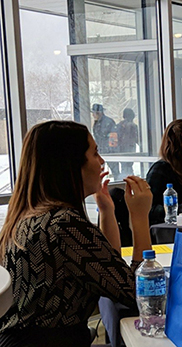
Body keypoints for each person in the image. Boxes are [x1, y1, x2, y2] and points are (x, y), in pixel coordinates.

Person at [0, 120, 152, 346]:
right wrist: (140, 219)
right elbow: (137, 294)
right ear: (70, 164)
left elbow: (109, 270)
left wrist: (106, 211)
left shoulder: (26, 216)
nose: (101, 162)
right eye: (95, 153)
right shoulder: (64, 225)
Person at [91, 103, 120, 179]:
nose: (93, 115)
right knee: (100, 171)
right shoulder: (97, 123)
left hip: (109, 151)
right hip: (101, 151)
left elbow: (113, 137)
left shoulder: (108, 122)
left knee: (115, 171)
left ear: (99, 113)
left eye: (93, 113)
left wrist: (111, 150)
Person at [117, 108, 139, 177]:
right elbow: (136, 138)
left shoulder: (119, 125)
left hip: (121, 148)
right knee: (128, 166)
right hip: (130, 148)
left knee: (125, 167)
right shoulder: (133, 126)